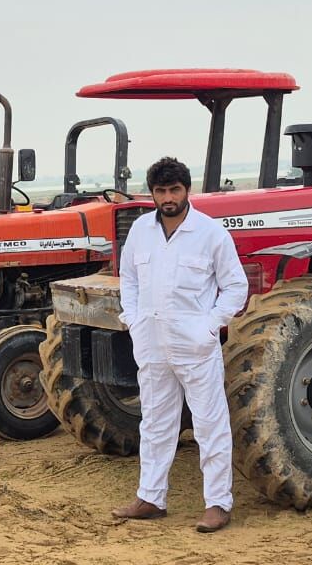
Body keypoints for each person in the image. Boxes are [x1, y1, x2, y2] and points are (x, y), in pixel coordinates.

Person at [112, 157, 247, 533]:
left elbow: (235, 287)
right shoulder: (140, 230)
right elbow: (129, 279)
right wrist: (134, 318)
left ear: (187, 190)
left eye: (174, 190)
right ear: (152, 193)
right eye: (160, 191)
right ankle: (151, 497)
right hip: (152, 344)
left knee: (209, 424)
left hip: (195, 346)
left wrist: (209, 326)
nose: (168, 197)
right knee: (154, 423)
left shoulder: (210, 233)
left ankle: (218, 504)